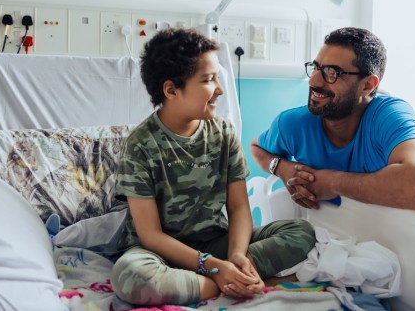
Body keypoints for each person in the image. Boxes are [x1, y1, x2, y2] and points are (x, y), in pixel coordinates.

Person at [111, 28, 315, 306]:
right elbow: (151, 234)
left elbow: (239, 207)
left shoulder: (223, 133)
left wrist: (237, 256)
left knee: (302, 232)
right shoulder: (141, 145)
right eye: (208, 80)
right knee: (131, 277)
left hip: (216, 243)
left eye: (218, 77)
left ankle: (236, 274)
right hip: (159, 253)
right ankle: (227, 283)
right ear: (171, 90)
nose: (220, 89)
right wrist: (214, 269)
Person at [250, 27, 415, 212]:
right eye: (316, 68)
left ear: (367, 85)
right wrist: (281, 167)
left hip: (389, 236)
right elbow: (257, 148)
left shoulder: (389, 116)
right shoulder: (294, 124)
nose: (313, 81)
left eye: (332, 73)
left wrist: (332, 182)